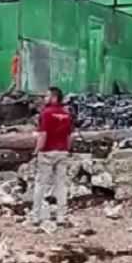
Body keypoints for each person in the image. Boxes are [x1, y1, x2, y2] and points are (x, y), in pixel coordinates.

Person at [31, 86, 74, 228]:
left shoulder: (46, 113)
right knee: (61, 185)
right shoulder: (67, 114)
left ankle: (36, 216)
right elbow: (69, 136)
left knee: (40, 184)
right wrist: (67, 149)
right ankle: (61, 217)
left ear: (54, 97)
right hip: (62, 152)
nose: (44, 98)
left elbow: (43, 135)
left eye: (47, 96)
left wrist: (37, 150)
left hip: (47, 152)